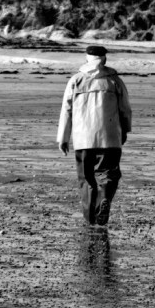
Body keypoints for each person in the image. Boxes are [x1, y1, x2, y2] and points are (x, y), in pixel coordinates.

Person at [57, 45, 132, 226]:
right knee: (109, 174)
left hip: (83, 138)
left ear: (86, 58)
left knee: (86, 178)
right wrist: (125, 130)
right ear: (104, 59)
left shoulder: (76, 80)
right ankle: (104, 198)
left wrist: (63, 137)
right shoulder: (114, 81)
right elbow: (125, 109)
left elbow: (66, 110)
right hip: (110, 137)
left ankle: (91, 219)